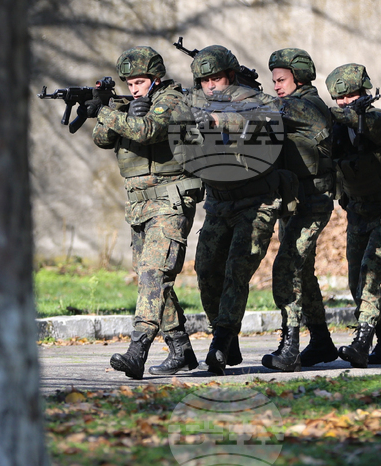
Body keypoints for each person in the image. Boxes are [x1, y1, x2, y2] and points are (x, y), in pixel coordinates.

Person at [90, 46, 204, 379]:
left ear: (156, 79)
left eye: (140, 82)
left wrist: (109, 113)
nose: (134, 88)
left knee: (155, 273)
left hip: (171, 200)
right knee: (152, 280)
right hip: (139, 205)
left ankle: (137, 350)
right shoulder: (129, 105)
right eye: (130, 83)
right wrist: (108, 108)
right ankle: (180, 348)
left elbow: (149, 130)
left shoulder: (172, 101)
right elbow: (101, 138)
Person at [189, 45, 293, 375]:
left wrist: (218, 119)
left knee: (237, 270)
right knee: (206, 271)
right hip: (219, 202)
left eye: (216, 78)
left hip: (257, 202)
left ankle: (219, 343)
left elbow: (266, 124)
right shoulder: (194, 104)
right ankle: (227, 339)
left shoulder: (257, 101)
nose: (210, 86)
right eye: (203, 80)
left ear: (231, 76)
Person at [325, 63, 381, 368]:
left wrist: (318, 111)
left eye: (348, 96)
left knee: (369, 277)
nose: (343, 103)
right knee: (355, 284)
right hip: (359, 213)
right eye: (338, 98)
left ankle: (362, 343)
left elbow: (371, 124)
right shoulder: (338, 128)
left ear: (363, 93)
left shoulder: (377, 120)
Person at [261, 48, 337, 372]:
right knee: (303, 273)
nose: (276, 85)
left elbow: (274, 107)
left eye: (281, 79)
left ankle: (290, 347)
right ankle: (321, 341)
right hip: (295, 204)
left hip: (313, 204)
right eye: (274, 80)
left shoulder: (308, 106)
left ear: (300, 76)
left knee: (286, 268)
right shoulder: (291, 107)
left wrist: (242, 95)